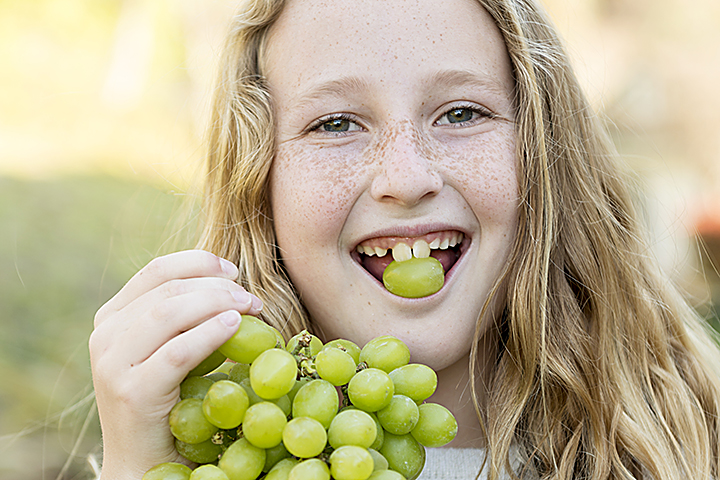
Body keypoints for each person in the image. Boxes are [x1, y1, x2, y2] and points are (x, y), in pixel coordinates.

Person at [88, 0, 720, 478]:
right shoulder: (224, 448)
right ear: (262, 183)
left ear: (545, 154)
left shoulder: (701, 442)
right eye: (335, 123)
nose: (406, 177)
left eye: (462, 113)